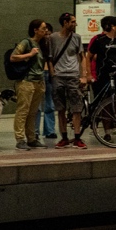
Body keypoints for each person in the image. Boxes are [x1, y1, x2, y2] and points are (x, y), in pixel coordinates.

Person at [46, 12, 89, 149]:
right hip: (58, 76)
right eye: (73, 21)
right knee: (60, 108)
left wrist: (83, 76)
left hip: (73, 75)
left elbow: (82, 57)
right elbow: (50, 58)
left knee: (76, 108)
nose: (75, 24)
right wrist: (53, 73)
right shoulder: (53, 38)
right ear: (65, 23)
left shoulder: (76, 38)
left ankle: (77, 137)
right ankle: (64, 137)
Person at [10, 19, 50, 150]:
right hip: (26, 81)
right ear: (35, 30)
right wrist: (30, 54)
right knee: (23, 110)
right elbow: (13, 57)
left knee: (33, 112)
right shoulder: (26, 42)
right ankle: (20, 138)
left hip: (39, 81)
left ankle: (31, 138)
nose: (45, 31)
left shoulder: (43, 44)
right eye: (43, 28)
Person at [88, 16, 116, 102]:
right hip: (102, 75)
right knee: (102, 101)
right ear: (113, 27)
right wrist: (88, 74)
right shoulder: (99, 40)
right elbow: (88, 57)